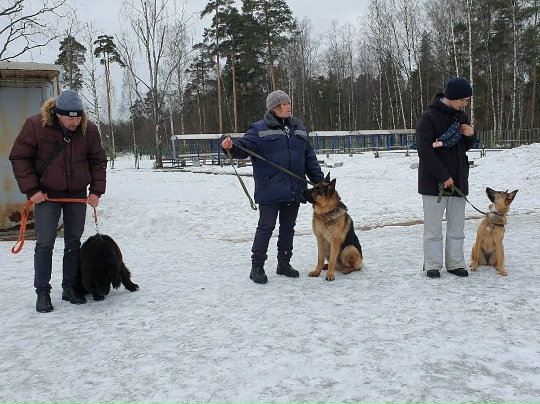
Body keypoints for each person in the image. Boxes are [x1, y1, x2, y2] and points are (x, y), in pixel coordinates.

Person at [9, 90, 108, 312]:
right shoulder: (36, 126)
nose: (75, 122)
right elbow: (19, 157)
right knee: (45, 243)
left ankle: (69, 286)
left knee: (73, 242)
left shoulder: (89, 130)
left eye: (78, 117)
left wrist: (96, 191)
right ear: (57, 114)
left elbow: (98, 160)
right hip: (46, 195)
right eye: (70, 118)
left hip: (76, 194)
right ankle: (42, 292)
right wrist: (32, 189)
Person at [221, 90, 324, 284]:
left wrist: (320, 183)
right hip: (270, 188)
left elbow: (309, 159)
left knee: (288, 227)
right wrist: (230, 146)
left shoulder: (299, 129)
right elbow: (243, 147)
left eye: (288, 103)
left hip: (294, 188)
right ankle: (257, 267)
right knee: (266, 227)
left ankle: (284, 263)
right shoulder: (259, 129)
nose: (288, 106)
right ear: (274, 108)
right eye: (284, 104)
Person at [416, 77, 478, 279]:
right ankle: (432, 265)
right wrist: (443, 176)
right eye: (463, 100)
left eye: (467, 100)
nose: (465, 104)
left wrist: (471, 135)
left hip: (459, 180)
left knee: (457, 227)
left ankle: (456, 263)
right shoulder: (428, 118)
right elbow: (425, 152)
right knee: (433, 228)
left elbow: (463, 148)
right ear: (452, 97)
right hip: (433, 184)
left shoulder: (462, 116)